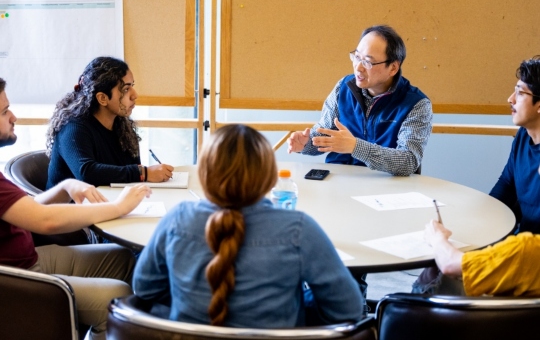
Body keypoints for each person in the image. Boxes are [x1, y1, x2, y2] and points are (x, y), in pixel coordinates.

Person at [0, 73, 152, 339]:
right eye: (4, 111)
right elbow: (44, 220)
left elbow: (24, 209)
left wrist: (66, 186)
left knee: (124, 259)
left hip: (26, 259)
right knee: (116, 299)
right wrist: (119, 207)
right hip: (10, 279)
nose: (13, 117)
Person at [133, 124, 364, 327]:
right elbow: (347, 308)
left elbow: (144, 288)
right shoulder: (299, 230)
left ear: (204, 173)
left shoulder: (178, 219)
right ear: (269, 177)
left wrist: (191, 299)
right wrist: (295, 301)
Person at [287, 25, 432, 176]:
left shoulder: (416, 104)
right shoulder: (343, 88)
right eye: (357, 57)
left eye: (368, 62)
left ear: (393, 68)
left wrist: (356, 147)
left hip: (387, 189)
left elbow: (408, 161)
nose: (358, 67)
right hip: (340, 183)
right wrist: (306, 144)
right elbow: (325, 135)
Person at [46, 56, 174, 188]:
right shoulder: (73, 128)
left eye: (132, 86)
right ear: (102, 98)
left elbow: (129, 177)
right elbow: (86, 173)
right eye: (125, 89)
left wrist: (143, 175)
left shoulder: (122, 125)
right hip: (71, 207)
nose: (134, 95)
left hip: (108, 203)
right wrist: (144, 173)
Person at [420, 219, 540, 297]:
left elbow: (450, 265)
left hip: (491, 324)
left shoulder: (526, 248)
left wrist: (437, 238)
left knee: (436, 272)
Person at [489, 56, 540, 234]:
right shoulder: (523, 135)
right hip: (521, 240)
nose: (510, 99)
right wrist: (482, 215)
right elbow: (507, 184)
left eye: (520, 93)